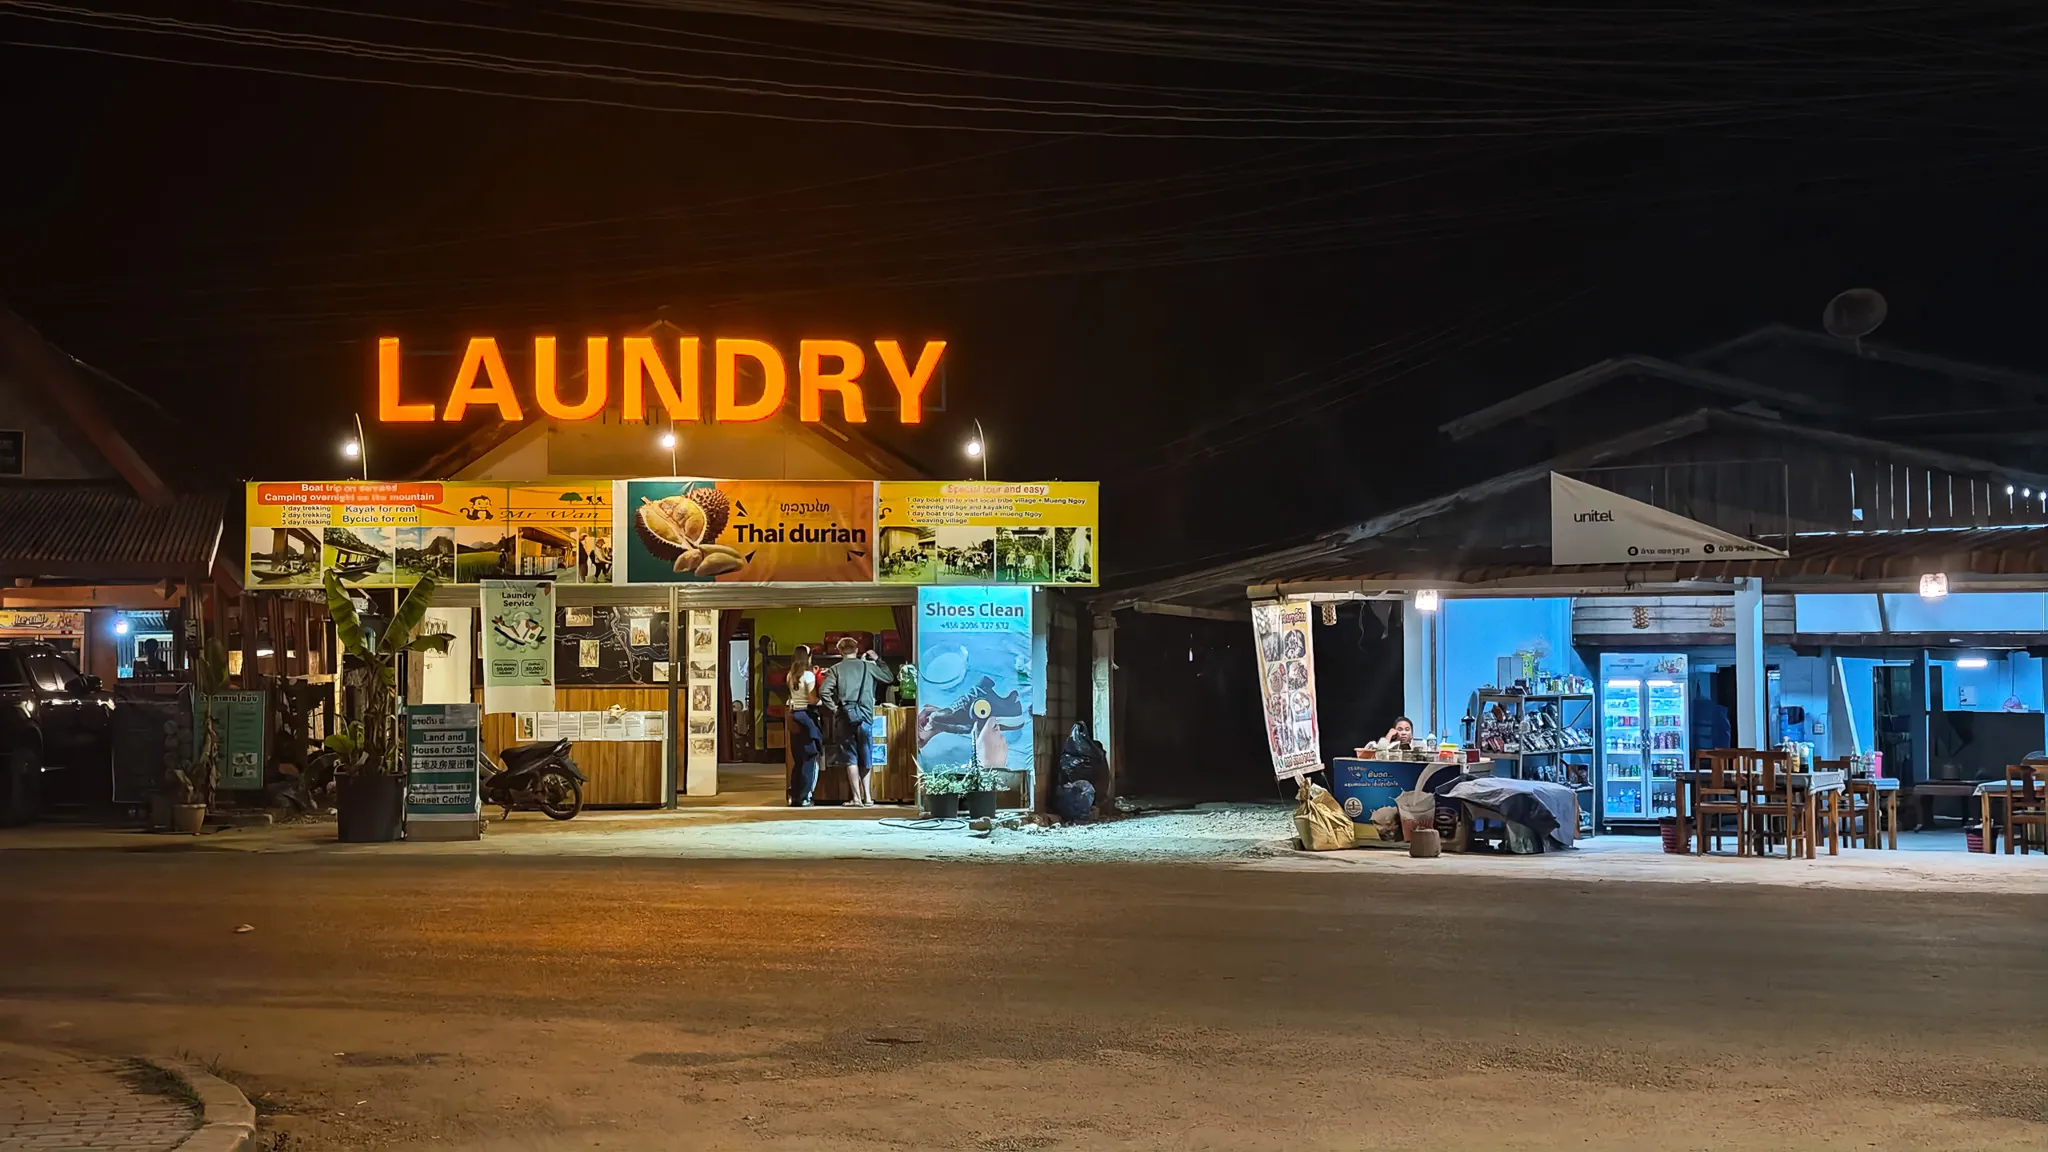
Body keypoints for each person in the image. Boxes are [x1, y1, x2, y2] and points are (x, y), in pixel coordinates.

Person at [818, 636, 895, 807]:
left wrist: (834, 709)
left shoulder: (835, 669)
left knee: (850, 757)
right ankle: (868, 797)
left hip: (845, 717)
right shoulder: (869, 666)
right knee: (866, 756)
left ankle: (856, 798)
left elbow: (824, 692)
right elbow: (889, 678)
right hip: (866, 716)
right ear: (857, 650)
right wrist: (878, 659)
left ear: (840, 651)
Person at [784, 645, 822, 806]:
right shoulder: (808, 675)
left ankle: (795, 795)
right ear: (808, 657)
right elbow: (812, 699)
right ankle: (805, 796)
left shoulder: (790, 675)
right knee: (810, 757)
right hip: (807, 716)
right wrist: (823, 702)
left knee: (798, 759)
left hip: (795, 716)